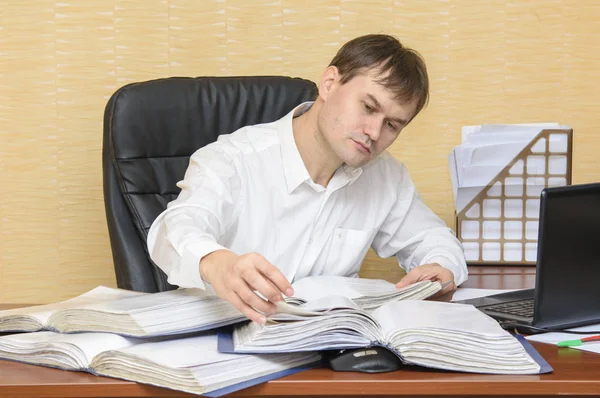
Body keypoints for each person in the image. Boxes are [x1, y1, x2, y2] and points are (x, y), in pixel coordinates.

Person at [147, 34, 468, 325]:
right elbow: (174, 227)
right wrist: (216, 263)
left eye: (392, 125)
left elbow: (433, 240)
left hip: (328, 351)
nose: (374, 132)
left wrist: (440, 267)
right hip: (230, 342)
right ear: (329, 83)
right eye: (368, 107)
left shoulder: (386, 176)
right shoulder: (232, 158)